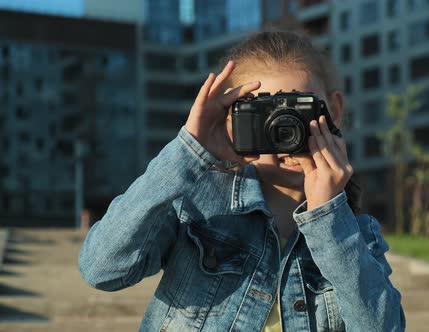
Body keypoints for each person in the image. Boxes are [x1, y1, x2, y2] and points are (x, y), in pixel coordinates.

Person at [78, 29, 406, 332]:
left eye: (299, 111)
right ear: (233, 119)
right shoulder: (196, 207)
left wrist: (328, 216)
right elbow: (102, 269)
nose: (286, 129)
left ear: (333, 110)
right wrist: (188, 150)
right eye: (268, 113)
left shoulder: (354, 232)